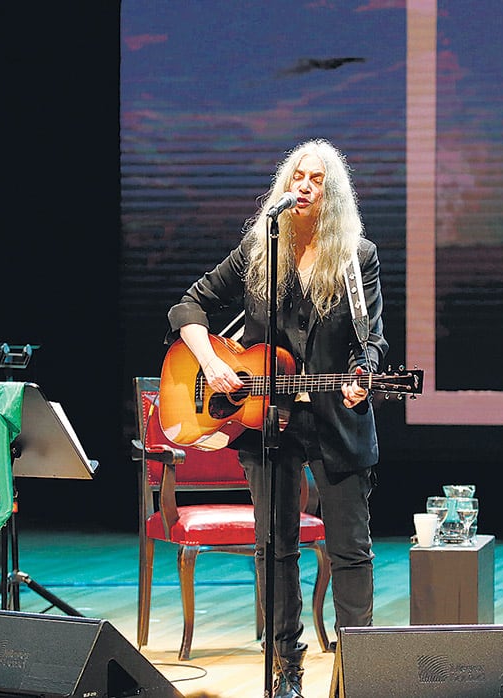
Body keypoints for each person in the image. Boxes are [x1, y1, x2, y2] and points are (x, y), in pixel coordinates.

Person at [167, 139, 387, 698]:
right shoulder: (261, 249)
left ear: (333, 193)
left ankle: (354, 671)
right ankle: (284, 667)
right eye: (297, 176)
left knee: (350, 549)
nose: (305, 185)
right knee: (275, 546)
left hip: (336, 419)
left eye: (317, 178)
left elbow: (373, 342)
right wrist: (214, 363)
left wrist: (365, 376)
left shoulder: (357, 257)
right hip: (267, 421)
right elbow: (188, 306)